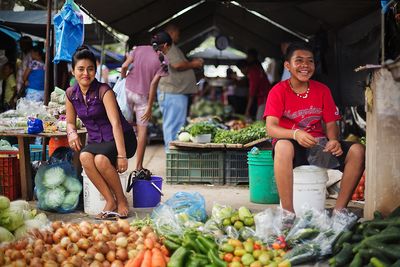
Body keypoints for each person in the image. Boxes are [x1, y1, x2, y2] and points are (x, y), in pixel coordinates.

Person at [264, 42, 365, 217]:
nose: (305, 65)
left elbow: (331, 123)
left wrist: (333, 140)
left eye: (310, 61)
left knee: (357, 150)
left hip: (319, 147)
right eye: (299, 60)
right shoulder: (278, 91)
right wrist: (295, 133)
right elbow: (271, 128)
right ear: (288, 66)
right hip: (293, 147)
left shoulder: (322, 90)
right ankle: (288, 213)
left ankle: (339, 211)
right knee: (282, 146)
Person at [66, 46, 137, 220]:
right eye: (81, 69)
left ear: (95, 70)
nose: (86, 73)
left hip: (122, 138)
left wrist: (121, 155)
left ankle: (121, 201)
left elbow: (116, 124)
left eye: (90, 69)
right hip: (98, 141)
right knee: (84, 157)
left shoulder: (104, 91)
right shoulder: (71, 94)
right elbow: (69, 122)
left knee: (100, 159)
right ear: (73, 71)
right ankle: (109, 201)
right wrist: (72, 133)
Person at [120, 31, 171, 177]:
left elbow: (124, 67)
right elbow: (154, 83)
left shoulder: (138, 49)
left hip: (127, 91)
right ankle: (138, 167)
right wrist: (149, 106)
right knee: (142, 133)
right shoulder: (163, 60)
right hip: (142, 98)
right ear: (166, 45)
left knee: (120, 126)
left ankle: (117, 160)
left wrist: (123, 81)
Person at [158, 24, 204, 150]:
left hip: (175, 93)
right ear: (171, 33)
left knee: (176, 126)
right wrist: (194, 64)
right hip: (173, 93)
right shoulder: (169, 47)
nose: (179, 35)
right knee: (173, 127)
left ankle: (172, 156)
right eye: (177, 33)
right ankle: (171, 156)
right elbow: (177, 65)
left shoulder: (170, 47)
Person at [243, 49, 271, 121]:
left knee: (260, 121)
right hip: (265, 97)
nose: (247, 58)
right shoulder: (258, 67)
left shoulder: (253, 70)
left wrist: (247, 110)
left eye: (248, 56)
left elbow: (252, 91)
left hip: (264, 98)